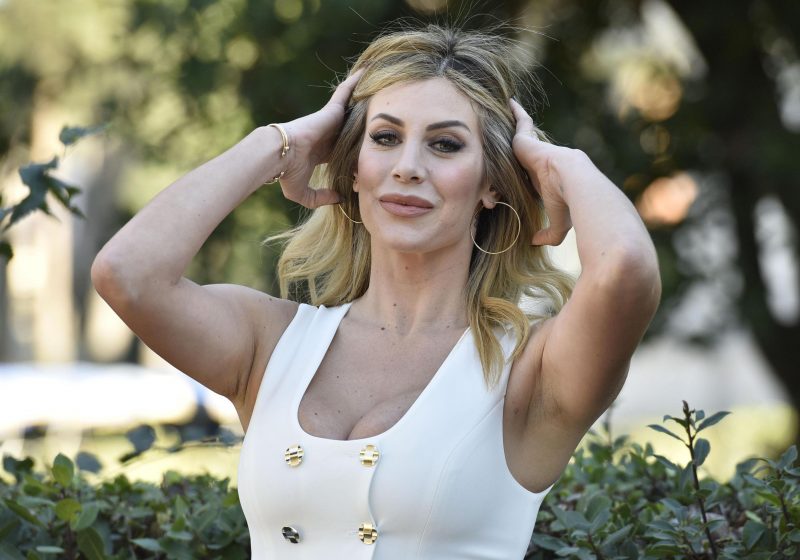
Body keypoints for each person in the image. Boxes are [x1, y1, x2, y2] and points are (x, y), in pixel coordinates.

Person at [92, 23, 661, 559]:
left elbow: (626, 269)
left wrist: (560, 165)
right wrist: (281, 143)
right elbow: (127, 274)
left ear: (491, 183)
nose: (408, 167)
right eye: (385, 138)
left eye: (445, 145)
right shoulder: (273, 343)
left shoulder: (529, 372)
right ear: (353, 167)